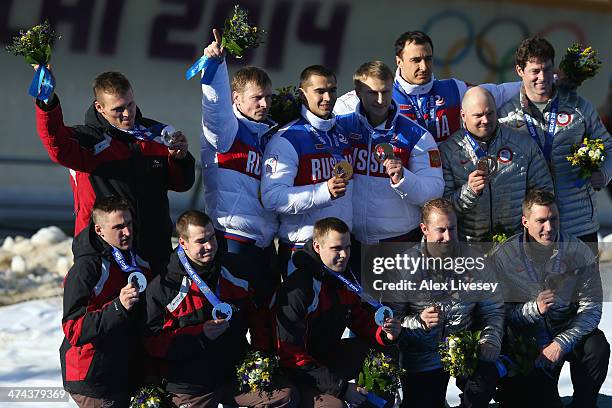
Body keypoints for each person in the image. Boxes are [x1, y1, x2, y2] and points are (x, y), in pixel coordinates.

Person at [33, 68, 196, 270]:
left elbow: (181, 184)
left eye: (130, 104)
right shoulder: (88, 140)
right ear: (99, 107)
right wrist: (47, 103)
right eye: (118, 109)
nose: (127, 114)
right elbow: (56, 143)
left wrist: (180, 158)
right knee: (100, 303)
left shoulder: (155, 134)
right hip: (103, 252)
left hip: (154, 249)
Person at [144, 210, 296, 408]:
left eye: (212, 238)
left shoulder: (236, 268)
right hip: (191, 383)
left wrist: (259, 355)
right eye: (201, 241)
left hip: (233, 372)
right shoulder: (164, 286)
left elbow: (258, 315)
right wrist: (200, 334)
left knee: (284, 396)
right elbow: (153, 342)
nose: (209, 246)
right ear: (182, 243)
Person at [492, 189, 608, 408]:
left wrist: (561, 343)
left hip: (566, 332)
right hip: (527, 341)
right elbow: (499, 313)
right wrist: (533, 309)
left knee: (597, 347)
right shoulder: (505, 255)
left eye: (554, 219)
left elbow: (592, 308)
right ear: (525, 222)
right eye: (541, 221)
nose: (549, 227)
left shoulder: (579, 251)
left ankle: (584, 403)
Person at [384, 198, 503, 408]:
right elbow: (392, 323)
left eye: (452, 229)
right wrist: (419, 322)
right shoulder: (403, 267)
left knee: (484, 381)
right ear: (424, 229)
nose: (448, 237)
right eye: (441, 230)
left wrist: (489, 340)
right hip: (422, 356)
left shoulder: (476, 261)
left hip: (466, 350)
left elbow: (492, 310)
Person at [498, 37, 612, 250]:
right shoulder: (505, 116)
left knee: (585, 284)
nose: (542, 78)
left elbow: (608, 146)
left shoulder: (578, 107)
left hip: (578, 223)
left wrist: (603, 174)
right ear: (519, 71)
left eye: (547, 70)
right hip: (532, 229)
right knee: (541, 285)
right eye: (535, 71)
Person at [275, 217, 402, 408]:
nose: (344, 255)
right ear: (317, 247)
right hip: (298, 372)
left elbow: (358, 318)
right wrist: (340, 388)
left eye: (348, 247)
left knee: (383, 355)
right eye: (336, 249)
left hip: (327, 358)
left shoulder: (341, 276)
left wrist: (384, 333)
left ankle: (378, 404)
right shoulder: (300, 288)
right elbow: (290, 355)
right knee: (335, 405)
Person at [335, 61, 443, 276]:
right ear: (357, 92)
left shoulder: (416, 135)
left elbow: (434, 190)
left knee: (397, 308)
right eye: (372, 93)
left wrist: (404, 178)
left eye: (385, 91)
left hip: (399, 243)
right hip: (351, 242)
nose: (381, 100)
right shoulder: (341, 127)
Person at [199, 29, 279, 306]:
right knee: (233, 316)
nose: (265, 104)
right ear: (236, 98)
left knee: (264, 319)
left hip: (266, 242)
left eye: (268, 97)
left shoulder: (270, 134)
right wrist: (216, 65)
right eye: (257, 97)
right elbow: (215, 107)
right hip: (233, 238)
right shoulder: (227, 131)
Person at [335, 31, 520, 143]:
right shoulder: (381, 93)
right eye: (416, 60)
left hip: (447, 186)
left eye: (428, 59)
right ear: (399, 61)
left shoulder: (454, 89)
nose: (424, 67)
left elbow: (499, 92)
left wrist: (541, 82)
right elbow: (333, 113)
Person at [60, 196, 153, 407]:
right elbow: (73, 329)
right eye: (119, 227)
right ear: (99, 230)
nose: (127, 232)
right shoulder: (86, 268)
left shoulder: (135, 257)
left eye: (129, 223)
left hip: (123, 369)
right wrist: (118, 307)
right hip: (93, 375)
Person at [261, 65, 352, 275]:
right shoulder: (287, 139)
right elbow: (271, 197)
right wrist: (323, 192)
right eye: (320, 91)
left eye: (333, 90)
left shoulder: (342, 134)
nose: (328, 97)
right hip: (303, 249)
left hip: (341, 250)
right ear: (302, 94)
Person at [440, 86, 553, 241]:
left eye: (490, 113)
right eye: (478, 115)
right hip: (471, 245)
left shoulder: (523, 144)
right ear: (463, 116)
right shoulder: (448, 151)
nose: (485, 120)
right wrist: (470, 191)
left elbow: (543, 192)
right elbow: (442, 210)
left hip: (516, 242)